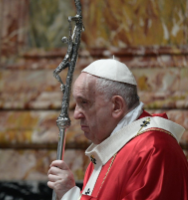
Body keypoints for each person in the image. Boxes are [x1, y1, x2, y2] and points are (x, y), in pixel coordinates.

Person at [47, 59, 188, 200]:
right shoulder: (106, 148)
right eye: (76, 104)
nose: (76, 114)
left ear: (116, 106)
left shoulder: (153, 150)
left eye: (84, 102)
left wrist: (70, 196)